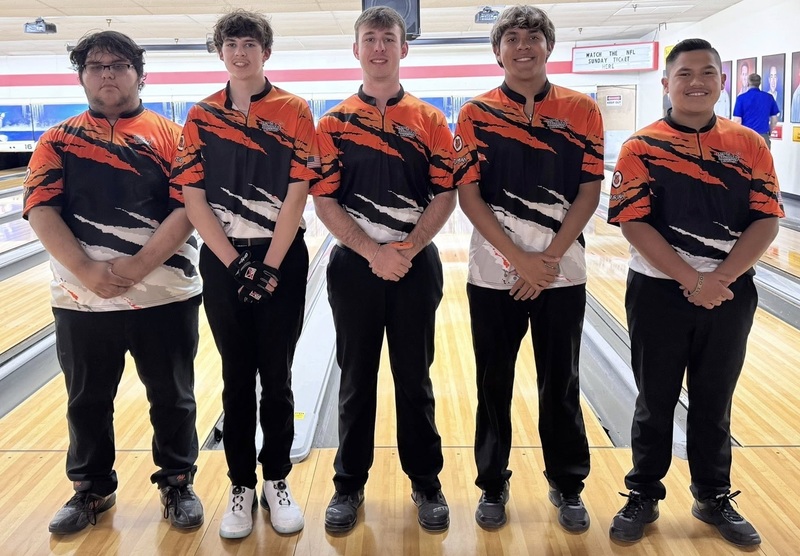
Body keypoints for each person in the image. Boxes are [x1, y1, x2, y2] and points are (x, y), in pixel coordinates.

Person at [23, 30, 204, 534]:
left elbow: (187, 208)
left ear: (139, 74)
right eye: (96, 65)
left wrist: (137, 266)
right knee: (87, 400)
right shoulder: (56, 139)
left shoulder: (172, 136)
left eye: (119, 65)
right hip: (80, 300)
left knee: (173, 396)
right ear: (81, 75)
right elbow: (40, 209)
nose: (108, 73)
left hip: (166, 293)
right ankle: (91, 490)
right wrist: (88, 272)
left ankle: (177, 481)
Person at [607, 38, 783, 547]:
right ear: (667, 84)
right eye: (685, 74)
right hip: (659, 292)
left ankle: (712, 495)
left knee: (714, 397)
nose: (696, 81)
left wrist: (720, 279)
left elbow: (766, 221)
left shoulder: (750, 145)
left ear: (722, 82)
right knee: (654, 398)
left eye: (707, 72)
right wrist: (693, 280)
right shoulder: (641, 146)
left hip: (730, 294)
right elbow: (634, 224)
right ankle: (643, 493)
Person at [453, 5, 603, 533]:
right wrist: (519, 259)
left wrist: (549, 259)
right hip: (493, 274)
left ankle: (567, 482)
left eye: (533, 37)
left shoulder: (582, 109)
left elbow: (589, 190)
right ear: (498, 51)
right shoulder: (474, 113)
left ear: (548, 46)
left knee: (560, 382)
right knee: (493, 382)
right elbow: (468, 194)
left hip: (563, 270)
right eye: (512, 38)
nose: (523, 46)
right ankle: (492, 483)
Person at [170, 10, 317, 539]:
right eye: (230, 44)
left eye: (249, 43)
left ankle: (277, 479)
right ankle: (239, 484)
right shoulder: (200, 115)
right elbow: (192, 195)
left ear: (265, 52)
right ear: (220, 53)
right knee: (236, 378)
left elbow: (299, 190)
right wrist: (235, 263)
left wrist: (270, 266)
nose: (240, 52)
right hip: (223, 257)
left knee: (276, 376)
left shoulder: (295, 110)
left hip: (281, 256)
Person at [312, 6, 456, 534]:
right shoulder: (331, 123)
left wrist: (409, 247)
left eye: (388, 38)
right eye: (369, 38)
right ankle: (348, 485)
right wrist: (373, 252)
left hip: (416, 265)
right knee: (356, 380)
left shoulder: (431, 119)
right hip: (354, 266)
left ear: (403, 48)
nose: (379, 47)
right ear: (356, 50)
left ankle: (427, 482)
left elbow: (447, 193)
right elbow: (324, 200)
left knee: (414, 379)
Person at [733, 73, 779, 149]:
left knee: (745, 160)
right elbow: (774, 119)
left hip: (746, 138)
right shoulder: (769, 97)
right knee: (764, 160)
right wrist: (769, 131)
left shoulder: (741, 98)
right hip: (763, 137)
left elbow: (737, 121)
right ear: (759, 83)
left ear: (748, 83)